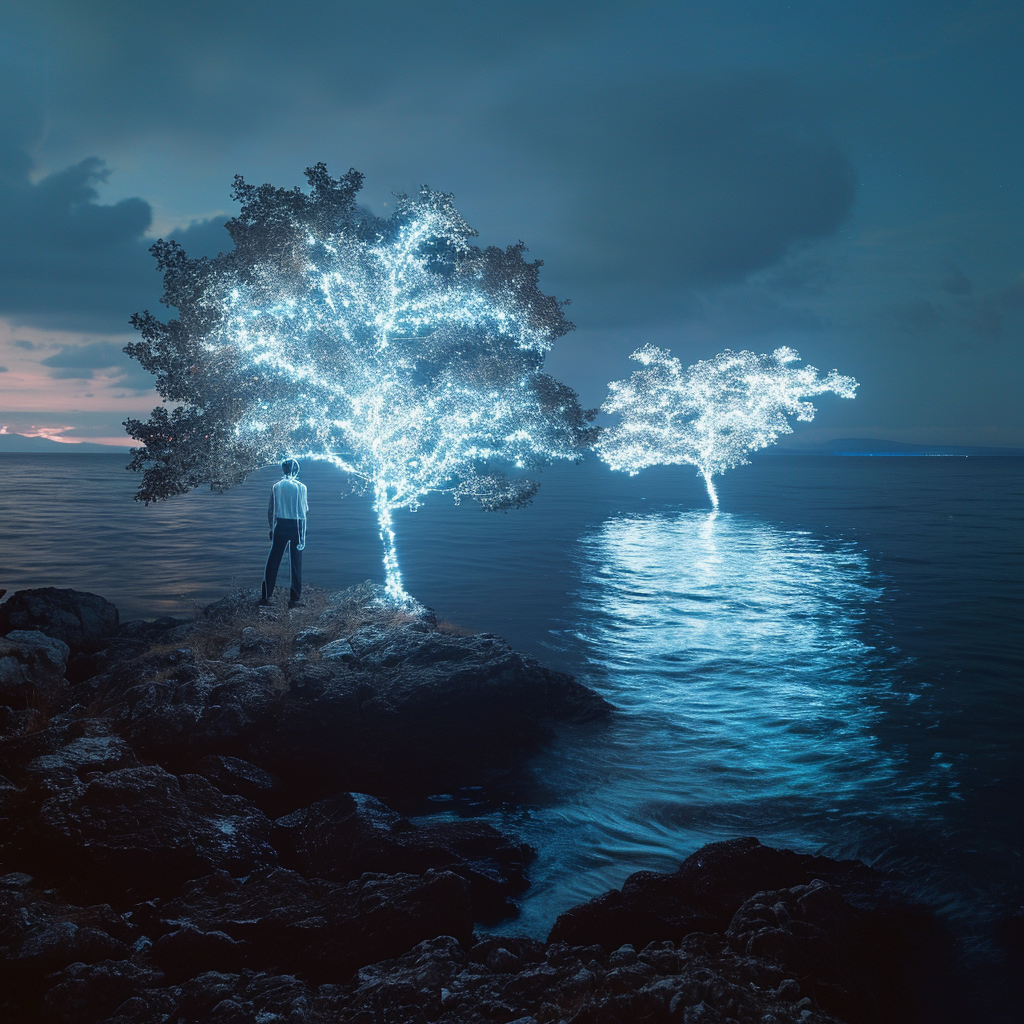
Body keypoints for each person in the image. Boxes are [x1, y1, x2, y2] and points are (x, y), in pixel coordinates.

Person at [259, 459, 308, 608]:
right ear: (297, 471)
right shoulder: (301, 487)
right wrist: (303, 536)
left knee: (273, 561)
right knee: (296, 563)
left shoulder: (276, 486)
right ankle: (295, 599)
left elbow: (271, 510)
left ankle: (266, 596)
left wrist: (271, 528)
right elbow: (303, 513)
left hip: (280, 524)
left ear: (283, 470)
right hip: (296, 525)